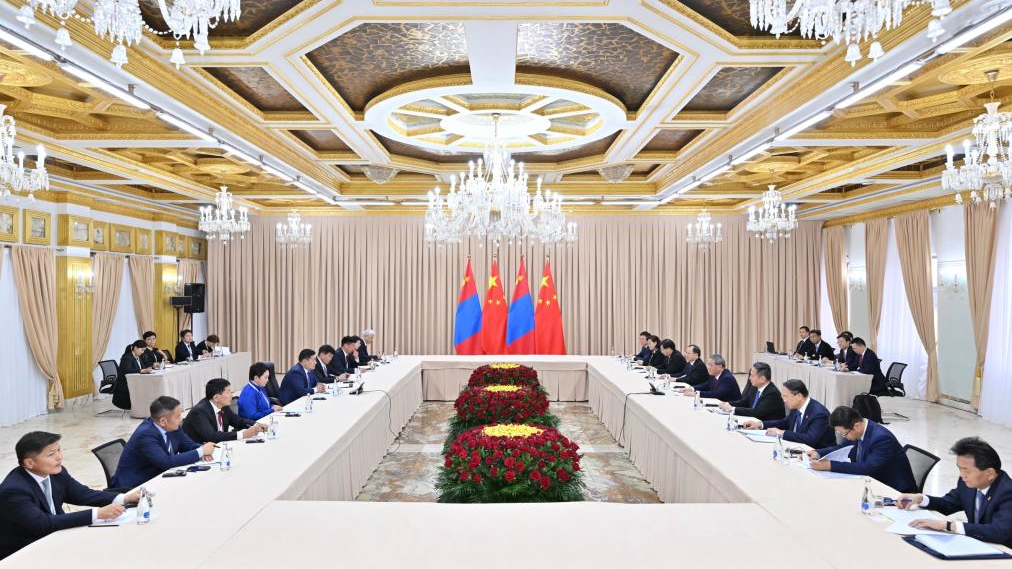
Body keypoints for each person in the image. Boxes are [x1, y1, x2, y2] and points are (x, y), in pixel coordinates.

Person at [0, 432, 142, 560]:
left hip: (56, 537)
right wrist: (98, 513)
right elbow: (41, 524)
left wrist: (124, 498)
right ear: (29, 463)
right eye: (51, 454)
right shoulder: (14, 490)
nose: (59, 457)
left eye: (59, 450)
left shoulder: (57, 473)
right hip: (24, 552)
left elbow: (82, 494)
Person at [898, 437, 1012, 547]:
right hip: (978, 544)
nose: (962, 475)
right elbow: (948, 504)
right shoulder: (968, 483)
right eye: (960, 468)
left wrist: (949, 526)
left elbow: (998, 532)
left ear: (990, 473)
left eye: (966, 470)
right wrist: (920, 498)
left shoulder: (1007, 492)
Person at [112, 396, 215, 489]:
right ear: (163, 421)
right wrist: (200, 451)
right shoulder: (145, 435)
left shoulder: (172, 426)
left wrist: (203, 450)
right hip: (134, 486)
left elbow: (188, 445)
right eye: (178, 416)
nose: (181, 418)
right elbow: (166, 462)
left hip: (158, 477)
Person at [807, 406, 917, 493]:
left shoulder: (882, 438)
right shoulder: (857, 431)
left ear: (856, 426)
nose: (844, 437)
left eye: (844, 434)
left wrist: (829, 465)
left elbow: (867, 468)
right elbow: (843, 448)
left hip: (894, 490)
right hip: (870, 481)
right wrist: (818, 453)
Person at [742, 379, 835, 448]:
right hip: (797, 449)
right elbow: (785, 422)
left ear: (799, 396)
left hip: (818, 455)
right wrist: (760, 424)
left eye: (786, 396)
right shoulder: (796, 406)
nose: (784, 400)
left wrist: (781, 433)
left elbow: (810, 439)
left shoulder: (819, 414)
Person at [182, 378, 266, 443]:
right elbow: (212, 436)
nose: (231, 395)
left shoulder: (223, 406)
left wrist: (256, 425)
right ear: (216, 398)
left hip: (220, 447)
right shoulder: (199, 412)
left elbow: (238, 421)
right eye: (228, 392)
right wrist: (243, 434)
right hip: (201, 452)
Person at [720, 362, 785, 421]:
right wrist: (728, 403)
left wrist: (732, 409)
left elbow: (757, 412)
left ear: (762, 379)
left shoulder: (772, 393)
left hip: (768, 428)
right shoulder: (755, 387)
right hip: (753, 421)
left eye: (752, 375)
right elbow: (745, 402)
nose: (749, 378)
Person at [113, 340, 152, 410]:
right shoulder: (127, 358)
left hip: (136, 381)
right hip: (125, 384)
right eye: (142, 350)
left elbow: (143, 367)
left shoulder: (139, 357)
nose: (143, 352)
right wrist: (141, 370)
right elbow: (127, 371)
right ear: (135, 348)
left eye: (144, 350)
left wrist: (149, 368)